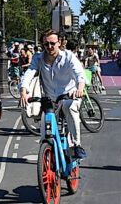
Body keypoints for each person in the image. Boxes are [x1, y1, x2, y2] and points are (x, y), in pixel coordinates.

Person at [20, 30, 88, 160]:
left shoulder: (68, 56)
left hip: (69, 96)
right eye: (46, 44)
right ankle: (46, 150)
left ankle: (76, 144)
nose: (49, 47)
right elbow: (28, 74)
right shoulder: (38, 58)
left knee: (70, 107)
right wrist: (23, 91)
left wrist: (79, 89)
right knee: (46, 128)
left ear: (60, 43)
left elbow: (80, 74)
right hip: (50, 99)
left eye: (52, 43)